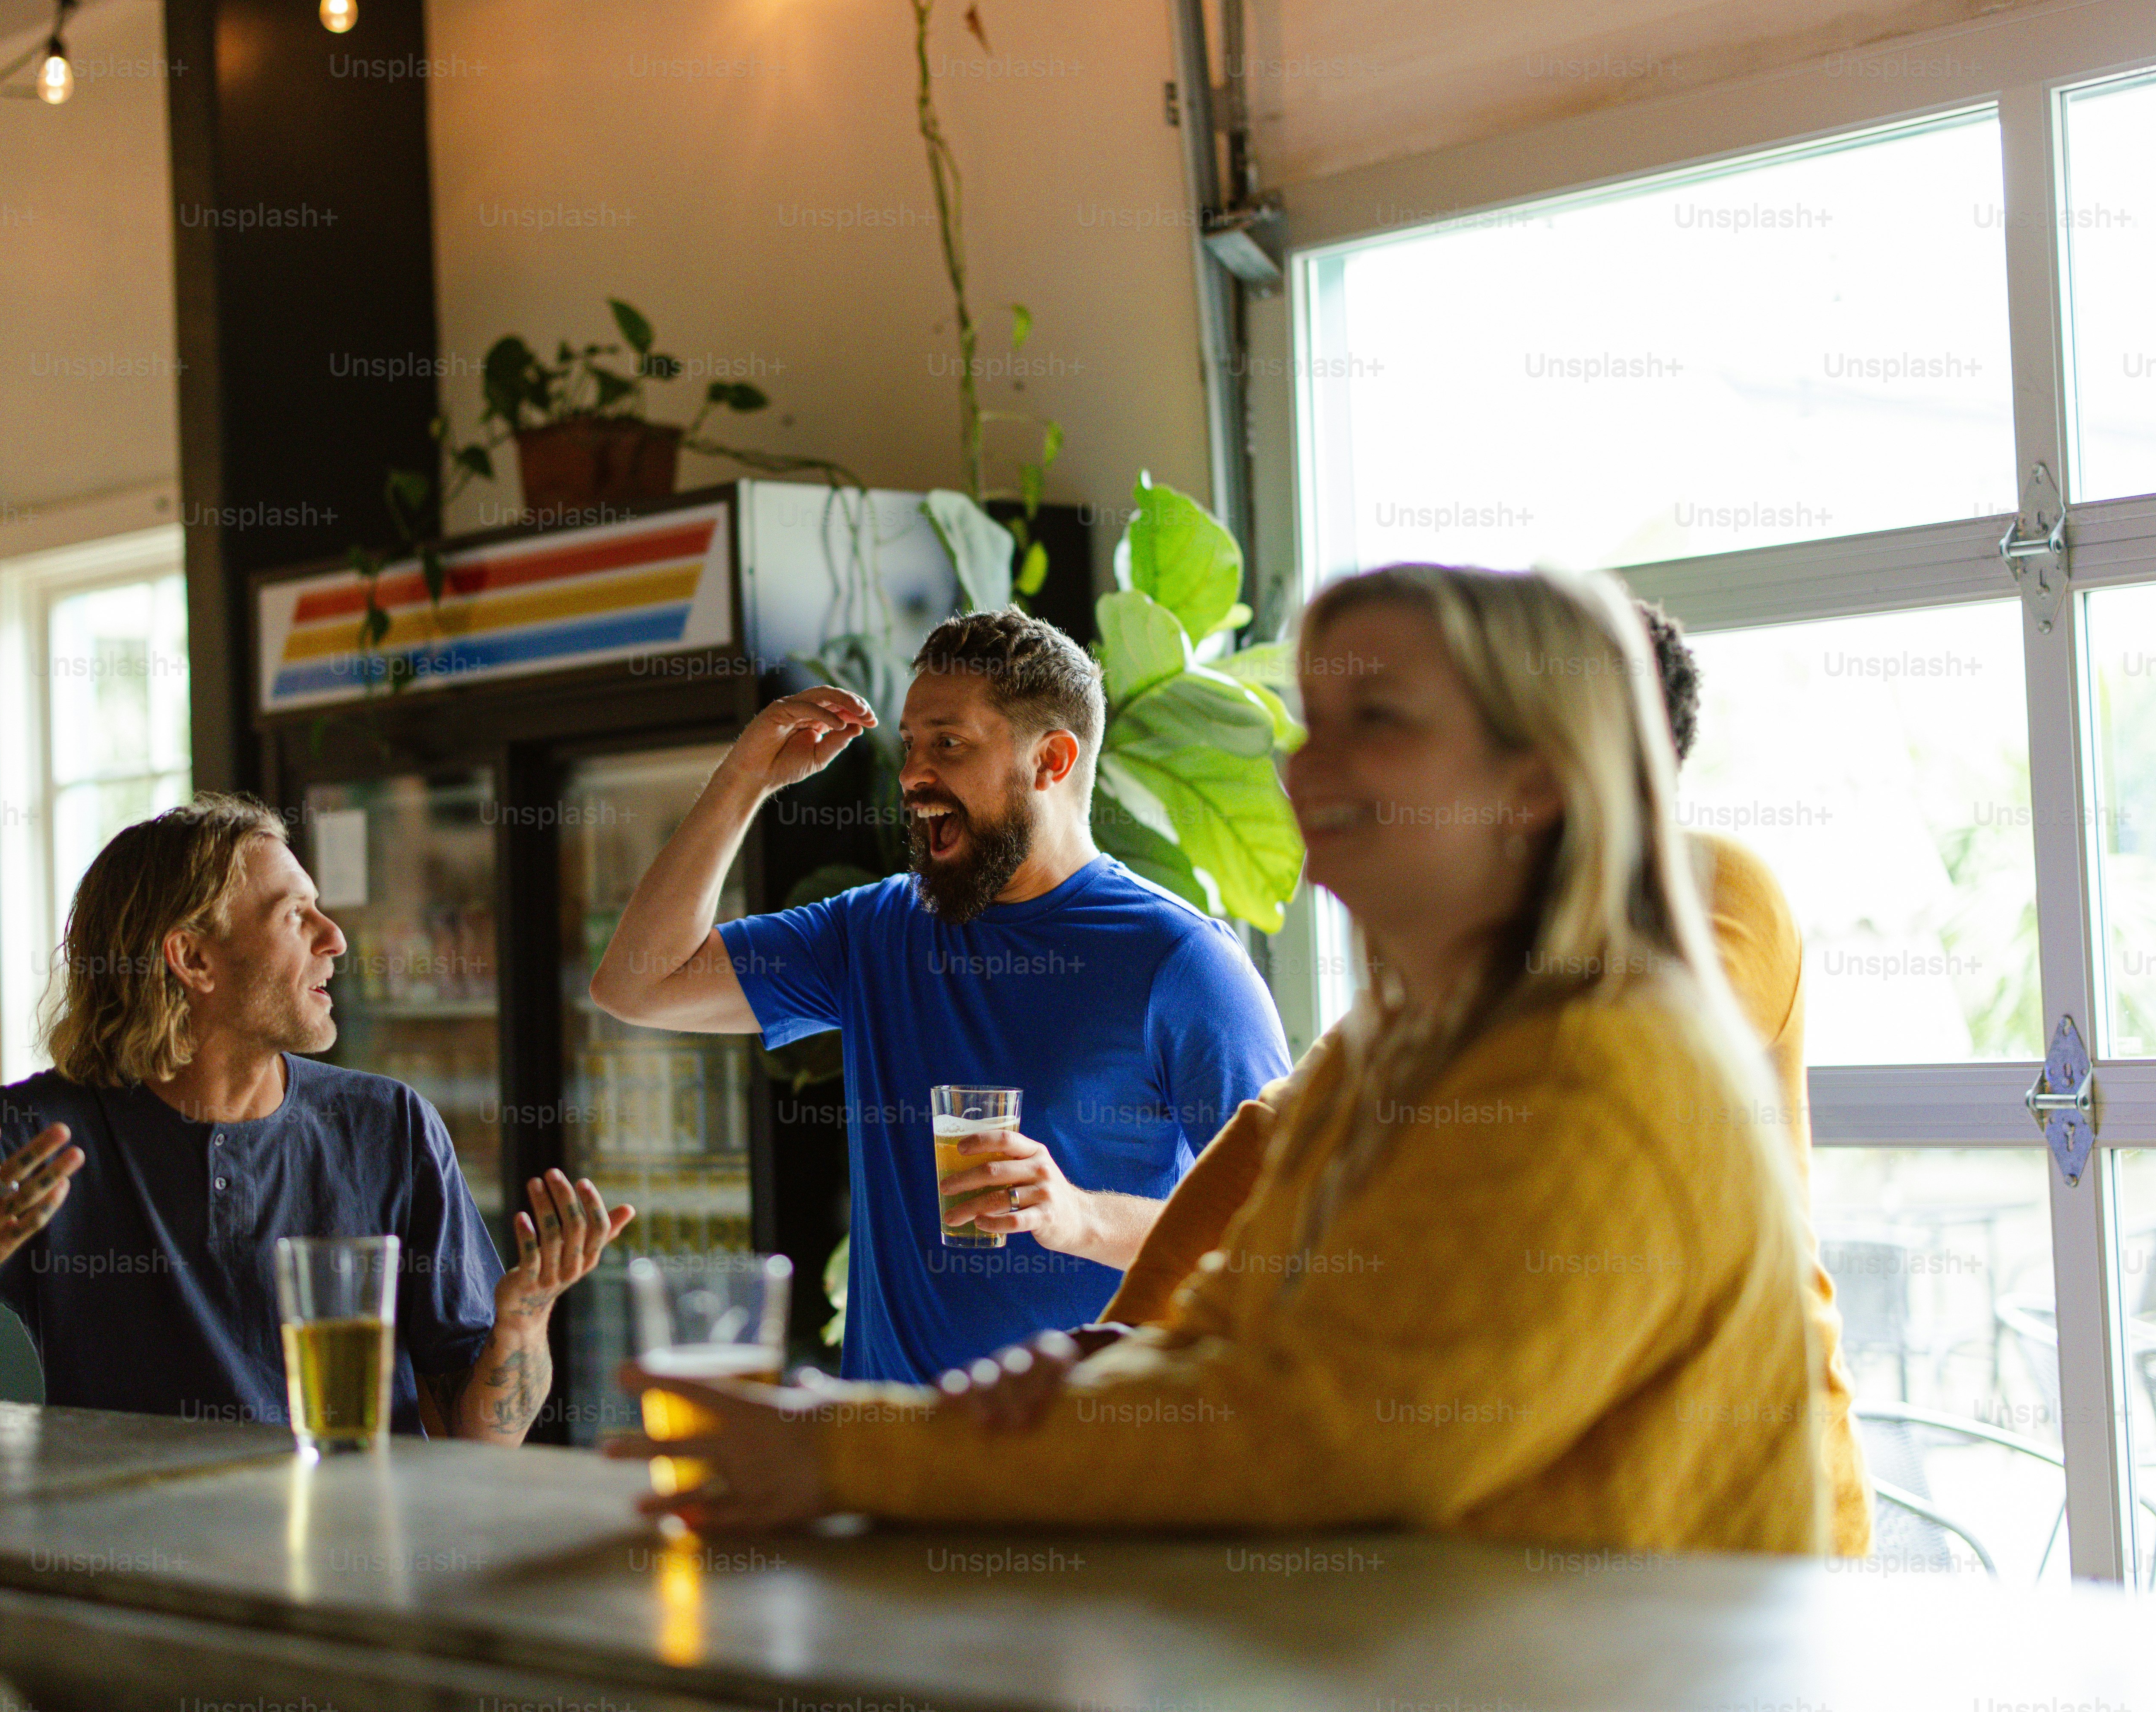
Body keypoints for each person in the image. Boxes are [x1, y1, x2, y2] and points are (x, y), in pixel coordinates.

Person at [607, 565, 1829, 1554]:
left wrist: (846, 1446)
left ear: (1538, 782)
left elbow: (1328, 1435)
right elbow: (1238, 1313)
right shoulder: (1396, 1054)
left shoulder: (1605, 1060)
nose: (1304, 769)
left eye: (1381, 722)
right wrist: (1095, 1359)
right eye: (1315, 723)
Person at [969, 599, 1869, 1552]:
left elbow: (1560, 1094)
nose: (1306, 769)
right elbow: (1275, 1134)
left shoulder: (1705, 894)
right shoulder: (1455, 981)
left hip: (1735, 1530)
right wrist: (1126, 1334)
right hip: (1561, 1546)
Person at [0, 794, 632, 1440]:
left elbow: (474, 1438)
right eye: (296, 915)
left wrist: (523, 1319)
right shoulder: (36, 1135)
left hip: (361, 1565)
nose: (335, 936)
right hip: (141, 1573)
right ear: (191, 957)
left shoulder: (390, 1127)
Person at [588, 607, 1293, 1383]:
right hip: (886, 1461)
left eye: (949, 744)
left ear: (1051, 760)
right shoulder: (876, 930)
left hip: (1083, 1466)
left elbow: (1284, 1236)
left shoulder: (1182, 962)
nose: (913, 774)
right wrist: (745, 777)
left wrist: (1079, 1215)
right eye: (911, 743)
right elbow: (637, 982)